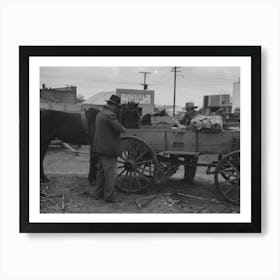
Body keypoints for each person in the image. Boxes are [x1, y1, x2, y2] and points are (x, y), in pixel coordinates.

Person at [92, 95, 126, 202]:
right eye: (117, 107)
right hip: (108, 150)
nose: (118, 109)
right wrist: (123, 127)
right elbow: (120, 128)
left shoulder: (100, 113)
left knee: (101, 173)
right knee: (111, 175)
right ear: (113, 105)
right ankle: (109, 197)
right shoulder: (110, 115)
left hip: (100, 148)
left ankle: (98, 194)